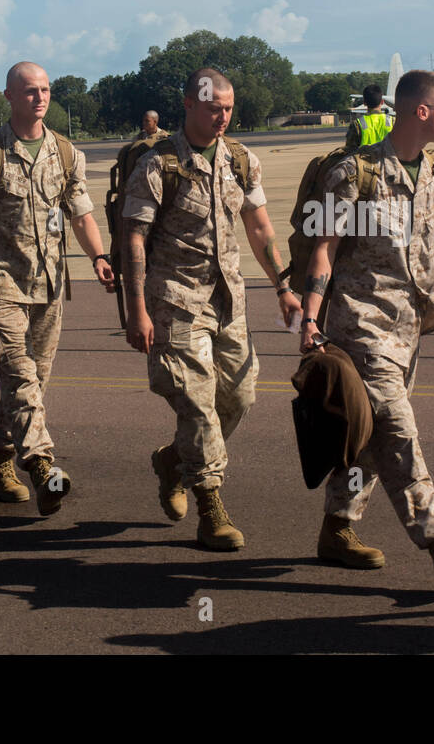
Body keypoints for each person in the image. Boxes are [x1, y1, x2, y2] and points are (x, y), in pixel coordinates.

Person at [299, 69, 434, 594]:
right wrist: (309, 318)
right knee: (396, 429)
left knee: (366, 437)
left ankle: (337, 530)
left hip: (409, 328)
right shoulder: (353, 174)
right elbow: (324, 247)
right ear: (421, 112)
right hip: (359, 325)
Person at [122, 68, 301, 550]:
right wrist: (135, 310)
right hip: (175, 303)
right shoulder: (159, 165)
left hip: (229, 302)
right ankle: (211, 506)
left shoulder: (241, 160)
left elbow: (260, 228)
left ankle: (174, 462)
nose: (222, 117)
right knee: (198, 406)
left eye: (227, 109)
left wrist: (283, 286)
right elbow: (134, 240)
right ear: (188, 104)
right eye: (212, 108)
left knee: (239, 398)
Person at [0, 61, 114, 515]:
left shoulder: (68, 153)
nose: (40, 97)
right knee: (19, 375)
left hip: (49, 287)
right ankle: (41, 466)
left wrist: (99, 257)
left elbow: (81, 214)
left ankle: (0, 459)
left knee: (30, 385)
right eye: (30, 91)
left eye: (46, 90)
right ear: (10, 97)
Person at [345, 84, 392, 149]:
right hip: (388, 158)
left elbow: (349, 149)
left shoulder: (357, 124)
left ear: (364, 102)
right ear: (382, 102)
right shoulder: (392, 121)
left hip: (364, 158)